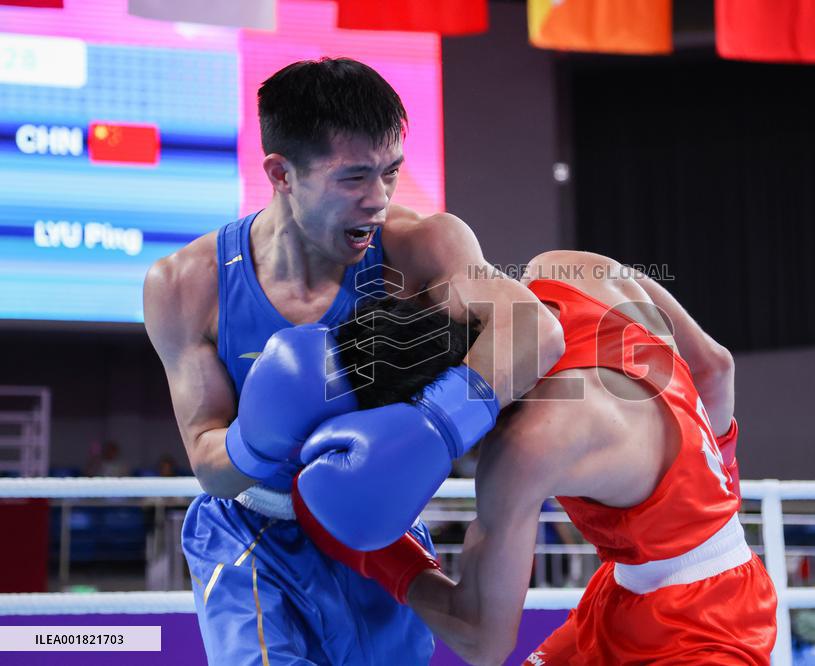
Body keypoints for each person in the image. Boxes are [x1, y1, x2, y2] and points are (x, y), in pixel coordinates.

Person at [143, 57, 563, 665]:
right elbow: (209, 462)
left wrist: (436, 423)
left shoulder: (421, 247)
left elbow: (533, 327)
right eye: (354, 178)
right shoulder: (188, 284)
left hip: (376, 526)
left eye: (390, 173)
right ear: (281, 173)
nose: (379, 199)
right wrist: (257, 441)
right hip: (249, 535)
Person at [295, 250, 778, 665]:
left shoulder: (525, 446)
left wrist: (373, 550)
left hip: (709, 632)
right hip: (631, 595)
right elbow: (715, 369)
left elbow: (483, 640)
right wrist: (706, 495)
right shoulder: (566, 269)